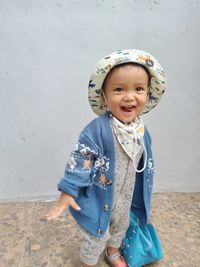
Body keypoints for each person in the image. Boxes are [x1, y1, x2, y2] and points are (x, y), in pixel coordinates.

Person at [46, 49, 166, 267]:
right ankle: (89, 262)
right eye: (119, 89)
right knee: (97, 234)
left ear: (148, 94)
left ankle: (113, 252)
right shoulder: (98, 130)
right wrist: (68, 190)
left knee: (120, 226)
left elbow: (144, 164)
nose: (129, 96)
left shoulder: (140, 131)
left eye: (138, 89)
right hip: (100, 195)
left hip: (126, 196)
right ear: (104, 96)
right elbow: (81, 157)